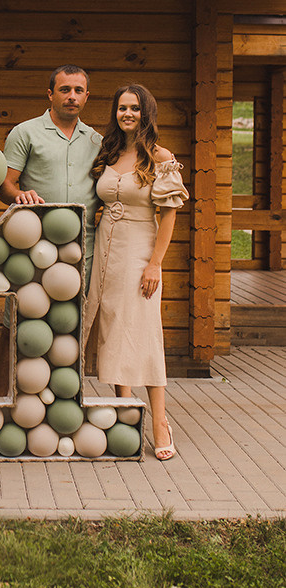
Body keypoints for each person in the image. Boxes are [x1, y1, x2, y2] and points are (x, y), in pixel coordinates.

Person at [82, 84, 189, 460]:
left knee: (143, 332)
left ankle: (160, 421)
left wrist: (155, 263)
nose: (128, 114)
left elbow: (169, 214)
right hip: (106, 252)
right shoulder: (109, 152)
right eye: (122, 108)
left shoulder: (160, 157)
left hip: (139, 252)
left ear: (146, 113)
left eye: (135, 108)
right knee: (112, 329)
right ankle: (126, 413)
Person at [0, 65, 101, 393]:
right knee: (15, 325)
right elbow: (3, 185)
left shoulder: (96, 141)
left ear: (87, 96)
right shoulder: (25, 133)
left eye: (78, 90)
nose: (72, 97)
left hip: (82, 249)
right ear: (50, 94)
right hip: (33, 246)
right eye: (65, 90)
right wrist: (18, 195)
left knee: (68, 328)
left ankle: (54, 404)